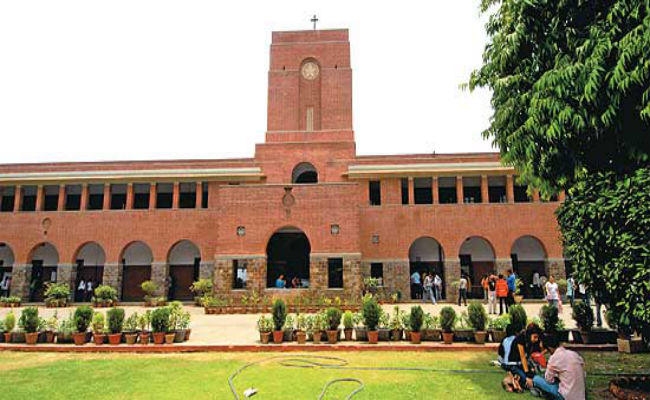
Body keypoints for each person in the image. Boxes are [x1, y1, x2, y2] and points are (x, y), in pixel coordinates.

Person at [533, 334, 586, 400]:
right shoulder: (574, 354)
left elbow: (549, 380)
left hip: (566, 396)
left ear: (548, 348)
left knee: (536, 379)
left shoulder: (554, 358)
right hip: (581, 395)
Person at [499, 323, 543, 387]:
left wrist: (531, 369)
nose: (536, 339)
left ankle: (516, 378)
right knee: (527, 381)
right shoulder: (520, 338)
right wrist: (527, 375)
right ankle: (508, 380)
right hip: (513, 365)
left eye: (537, 337)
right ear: (529, 334)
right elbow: (523, 357)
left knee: (533, 378)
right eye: (535, 337)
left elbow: (531, 355)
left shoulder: (530, 341)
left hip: (521, 365)